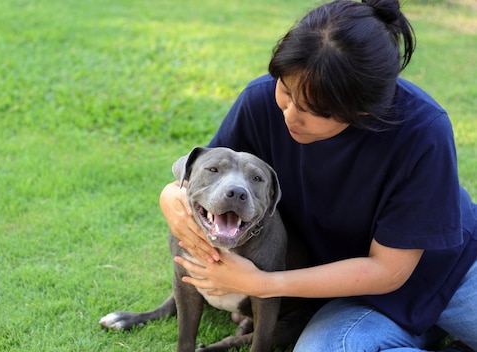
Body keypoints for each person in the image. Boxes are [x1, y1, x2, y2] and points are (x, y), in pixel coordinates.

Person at [160, 0, 477, 350]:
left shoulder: (422, 130)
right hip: (351, 291)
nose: (290, 115)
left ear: (362, 110)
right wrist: (169, 197)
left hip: (454, 275)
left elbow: (389, 270)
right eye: (286, 89)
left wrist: (264, 283)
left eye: (312, 110)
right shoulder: (260, 102)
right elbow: (205, 180)